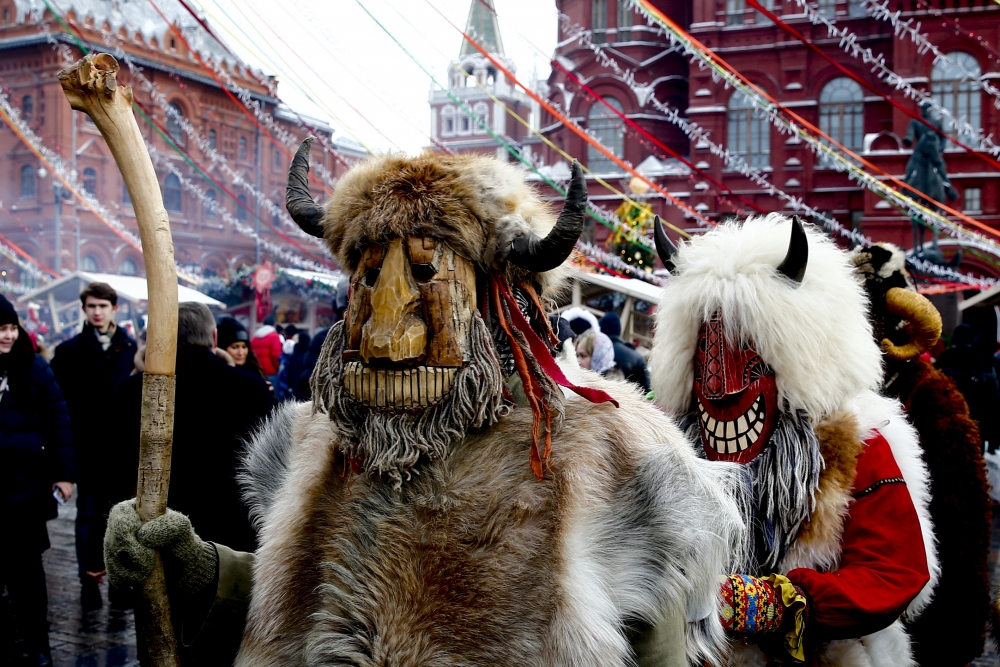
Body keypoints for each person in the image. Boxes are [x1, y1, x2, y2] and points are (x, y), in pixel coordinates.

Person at [104, 145, 746, 666]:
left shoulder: (611, 450)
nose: (382, 333)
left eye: (422, 277)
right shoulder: (315, 440)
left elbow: (660, 650)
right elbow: (290, 604)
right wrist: (198, 569)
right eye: (368, 280)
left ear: (495, 297)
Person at [649, 214, 936, 665]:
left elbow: (894, 570)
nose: (722, 385)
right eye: (708, 348)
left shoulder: (860, 444)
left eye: (749, 348)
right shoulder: (667, 448)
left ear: (796, 352)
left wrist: (783, 602)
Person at [852, 243, 992, 667]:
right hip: (861, 604)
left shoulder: (930, 397)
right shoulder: (846, 395)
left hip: (921, 610)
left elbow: (963, 519)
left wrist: (953, 626)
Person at [112, 303, 273, 553]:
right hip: (230, 531)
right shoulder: (251, 388)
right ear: (214, 337)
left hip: (155, 529)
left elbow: (115, 466)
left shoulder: (134, 390)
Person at [49, 282, 136, 610]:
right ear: (84, 310)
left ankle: (118, 581)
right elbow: (58, 405)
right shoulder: (69, 351)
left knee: (120, 516)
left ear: (114, 308)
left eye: (102, 306)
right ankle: (88, 580)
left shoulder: (130, 347)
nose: (97, 312)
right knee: (87, 514)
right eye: (91, 307)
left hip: (120, 448)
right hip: (86, 447)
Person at [0, 295, 74, 667]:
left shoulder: (33, 366)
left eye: (11, 327)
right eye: (1, 329)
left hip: (25, 488)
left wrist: (64, 474)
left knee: (27, 574)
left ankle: (38, 645)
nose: (7, 336)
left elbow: (57, 419)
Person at [599, 312, 649, 391]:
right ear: (619, 330)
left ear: (601, 329)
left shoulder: (592, 352)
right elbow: (646, 391)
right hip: (627, 401)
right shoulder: (637, 358)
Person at [216, 316, 269, 383]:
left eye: (244, 347)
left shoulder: (255, 370)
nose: (241, 353)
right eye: (235, 347)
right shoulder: (216, 375)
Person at [251, 314, 282, 385]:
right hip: (271, 372)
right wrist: (278, 368)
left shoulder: (254, 337)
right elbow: (276, 356)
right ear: (274, 324)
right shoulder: (274, 336)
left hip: (257, 371)